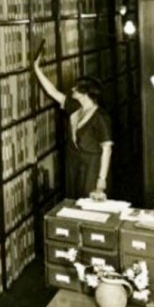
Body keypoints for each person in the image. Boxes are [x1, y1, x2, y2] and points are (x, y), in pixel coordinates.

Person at [33, 49, 113, 199]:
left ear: (85, 93)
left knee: (90, 202)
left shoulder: (100, 117)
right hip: (73, 163)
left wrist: (101, 179)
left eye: (76, 88)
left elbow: (107, 150)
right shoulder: (75, 108)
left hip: (92, 166)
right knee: (73, 200)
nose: (72, 89)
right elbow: (52, 92)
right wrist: (36, 68)